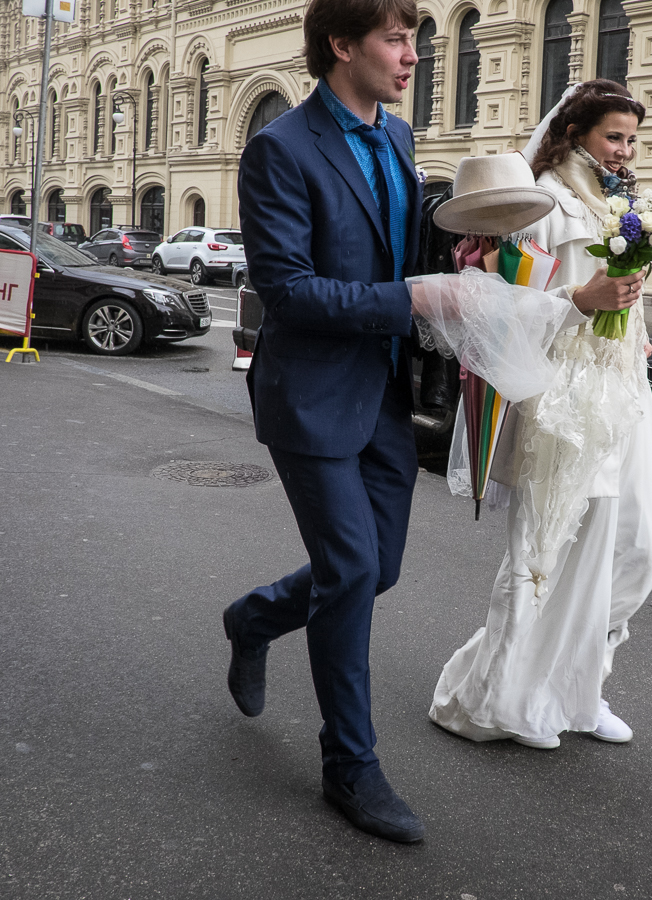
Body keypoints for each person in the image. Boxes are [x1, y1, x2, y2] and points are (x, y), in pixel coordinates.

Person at [220, 0, 426, 843]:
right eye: (395, 38)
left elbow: (399, 256)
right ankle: (351, 765)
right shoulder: (279, 148)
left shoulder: (403, 139)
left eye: (415, 37)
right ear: (342, 46)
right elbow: (290, 290)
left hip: (383, 393)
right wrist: (412, 298)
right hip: (308, 394)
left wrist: (466, 263)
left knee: (377, 571)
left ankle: (256, 616)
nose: (412, 54)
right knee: (349, 572)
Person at [428, 80, 652, 749]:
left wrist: (634, 326)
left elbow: (624, 294)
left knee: (638, 546)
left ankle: (577, 686)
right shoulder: (539, 205)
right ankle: (497, 697)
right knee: (546, 548)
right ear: (576, 133)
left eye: (631, 139)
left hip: (622, 391)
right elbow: (496, 311)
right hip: (558, 394)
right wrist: (580, 299)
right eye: (613, 136)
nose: (624, 151)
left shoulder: (623, 206)